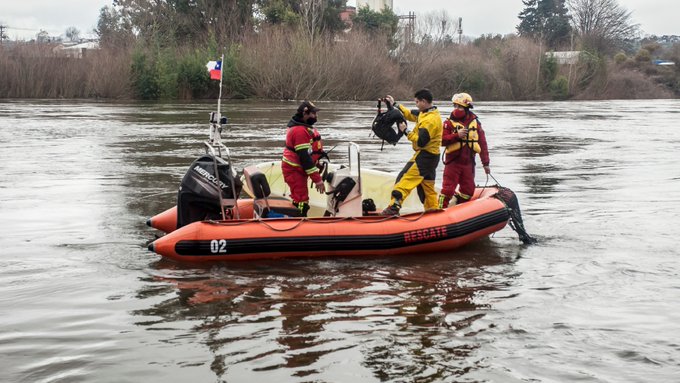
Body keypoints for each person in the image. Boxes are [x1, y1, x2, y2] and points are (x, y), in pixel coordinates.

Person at [381, 89, 442, 215]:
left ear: (424, 102)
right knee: (427, 187)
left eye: (417, 102)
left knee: (403, 179)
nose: (416, 105)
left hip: (425, 157)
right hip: (432, 157)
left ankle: (394, 207)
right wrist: (395, 104)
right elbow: (409, 114)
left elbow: (421, 142)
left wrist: (405, 131)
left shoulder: (429, 120)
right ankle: (432, 210)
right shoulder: (426, 113)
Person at [438, 92, 490, 208]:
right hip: (453, 162)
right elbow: (441, 140)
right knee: (447, 190)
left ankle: (458, 206)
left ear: (467, 108)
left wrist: (486, 164)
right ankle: (440, 210)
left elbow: (482, 143)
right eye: (455, 106)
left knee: (468, 191)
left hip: (469, 163)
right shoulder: (448, 123)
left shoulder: (476, 123)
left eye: (460, 107)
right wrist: (456, 135)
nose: (457, 109)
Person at [281, 100, 326, 217]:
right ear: (305, 114)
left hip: (297, 168)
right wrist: (317, 179)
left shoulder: (303, 128)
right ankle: (298, 220)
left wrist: (316, 163)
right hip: (294, 170)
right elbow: (305, 158)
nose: (316, 116)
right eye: (313, 114)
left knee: (300, 196)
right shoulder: (299, 131)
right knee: (301, 199)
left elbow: (308, 154)